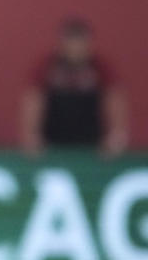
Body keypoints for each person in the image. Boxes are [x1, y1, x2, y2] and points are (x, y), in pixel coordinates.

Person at [21, 17, 128, 157]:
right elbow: (34, 100)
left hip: (91, 140)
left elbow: (114, 99)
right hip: (53, 138)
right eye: (71, 43)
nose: (76, 48)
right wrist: (31, 135)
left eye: (80, 43)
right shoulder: (48, 66)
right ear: (62, 44)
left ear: (89, 43)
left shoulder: (99, 67)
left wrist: (116, 135)